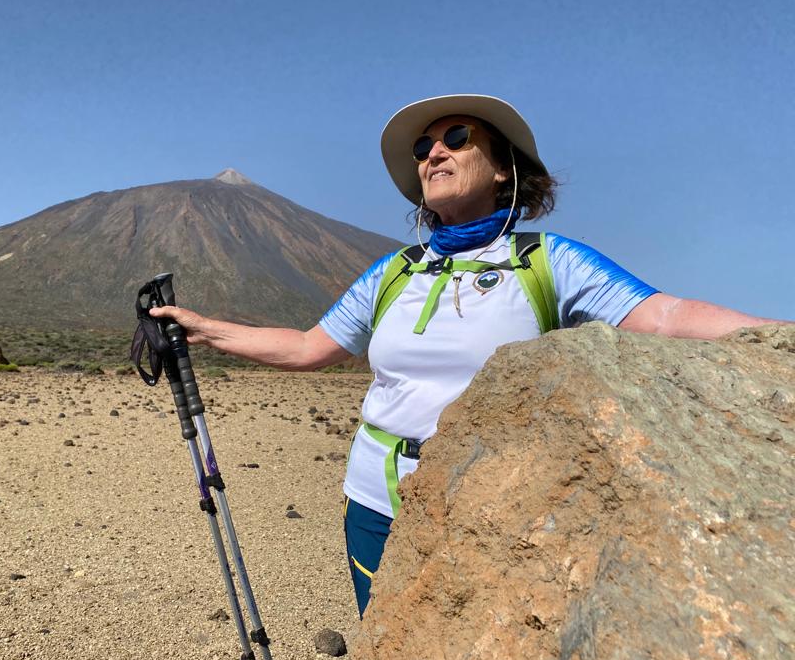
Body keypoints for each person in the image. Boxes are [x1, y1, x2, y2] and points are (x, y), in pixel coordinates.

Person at [150, 94, 787, 618]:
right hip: (375, 499)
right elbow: (307, 347)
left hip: (493, 498)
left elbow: (665, 316)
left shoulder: (548, 262)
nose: (434, 153)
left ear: (505, 167)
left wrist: (778, 334)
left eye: (456, 138)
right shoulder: (392, 272)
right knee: (385, 656)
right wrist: (205, 329)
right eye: (423, 149)